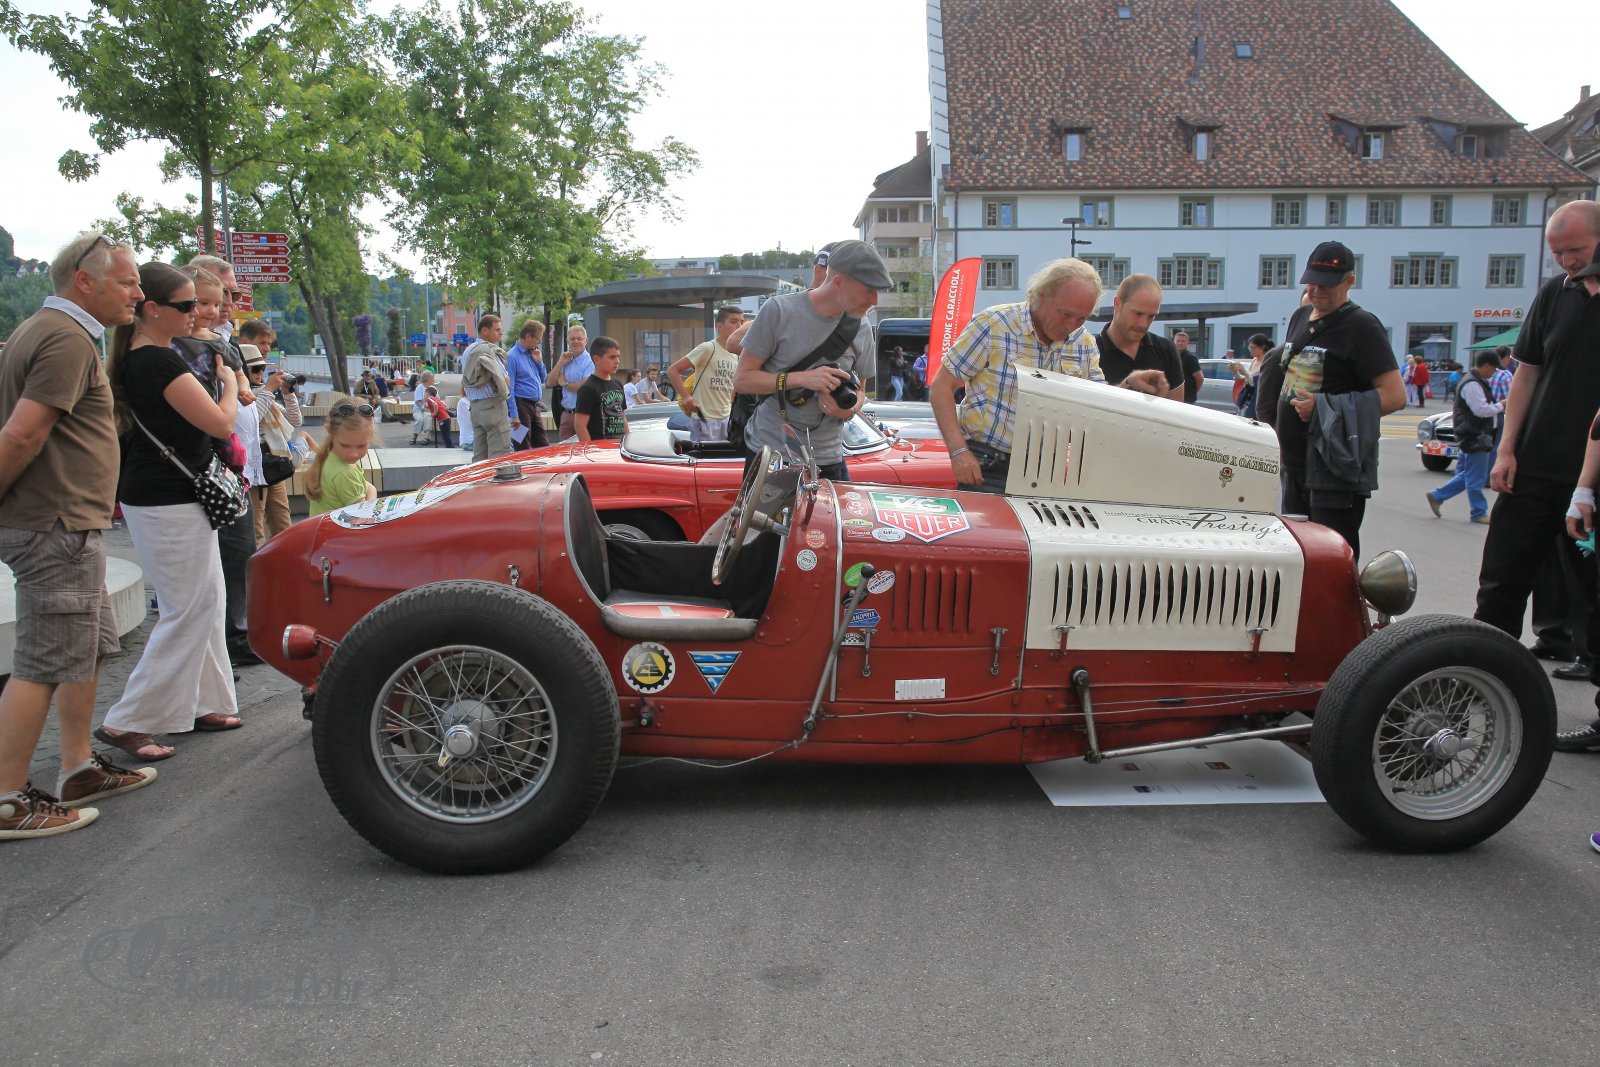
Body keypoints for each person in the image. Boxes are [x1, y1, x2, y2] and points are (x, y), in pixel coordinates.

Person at [0, 232, 156, 839]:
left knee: (83, 648)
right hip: (56, 524)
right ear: (84, 282)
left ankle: (77, 768)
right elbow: (22, 434)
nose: (137, 294)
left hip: (69, 521)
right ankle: (9, 799)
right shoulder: (65, 338)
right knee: (41, 663)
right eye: (127, 282)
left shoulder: (44, 330)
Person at [96, 262, 245, 763]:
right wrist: (228, 381)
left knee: (206, 599)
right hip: (169, 499)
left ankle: (204, 702)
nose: (196, 314)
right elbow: (221, 424)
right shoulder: (158, 362)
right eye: (186, 305)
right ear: (153, 310)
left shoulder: (142, 357)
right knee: (190, 607)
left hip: (165, 495)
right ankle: (129, 718)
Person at [1479, 201, 1600, 750]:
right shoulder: (1555, 293)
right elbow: (1526, 374)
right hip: (1535, 466)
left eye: (1576, 250)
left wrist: (1586, 485)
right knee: (1501, 581)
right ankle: (1484, 686)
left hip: (1591, 475)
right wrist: (1506, 448)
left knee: (1593, 596)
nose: (1567, 261)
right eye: (1557, 253)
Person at [930, 257, 1168, 493]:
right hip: (987, 465)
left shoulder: (1082, 342)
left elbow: (1098, 403)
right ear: (1041, 296)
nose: (1071, 325)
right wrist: (958, 451)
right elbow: (942, 387)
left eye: (1081, 318)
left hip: (1047, 472)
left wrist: (1129, 385)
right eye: (1065, 314)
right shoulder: (994, 325)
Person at [1273, 241, 1404, 557]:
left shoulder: (1362, 326)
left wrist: (1323, 407)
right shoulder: (1300, 317)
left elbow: (1395, 395)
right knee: (1296, 558)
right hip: (1295, 465)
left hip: (1332, 470)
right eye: (1312, 282)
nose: (1317, 290)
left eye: (1327, 284)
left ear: (1349, 281)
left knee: (1331, 560)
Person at [733, 240, 891, 480]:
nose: (875, 300)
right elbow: (742, 380)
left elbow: (862, 391)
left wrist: (847, 410)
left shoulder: (860, 326)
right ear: (838, 281)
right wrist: (802, 379)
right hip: (771, 456)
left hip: (829, 458)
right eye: (869, 289)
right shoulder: (779, 311)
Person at [1426, 351, 1503, 525]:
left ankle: (1438, 495)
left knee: (1469, 474)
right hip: (1476, 435)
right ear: (1486, 365)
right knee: (1477, 477)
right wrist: (1501, 405)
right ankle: (1478, 512)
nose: (1494, 373)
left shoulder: (1475, 381)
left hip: (1475, 434)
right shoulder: (1472, 384)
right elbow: (1481, 410)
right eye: (1493, 369)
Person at [1093, 274, 1183, 399]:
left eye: (1151, 316)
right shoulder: (1091, 351)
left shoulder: (1166, 350)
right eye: (1138, 314)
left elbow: (1177, 408)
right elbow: (1086, 406)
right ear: (1117, 303)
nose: (1143, 324)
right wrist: (1128, 385)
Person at [668, 305, 745, 443]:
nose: (739, 326)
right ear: (719, 326)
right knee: (707, 456)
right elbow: (673, 370)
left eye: (741, 322)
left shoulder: (736, 354)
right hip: (704, 418)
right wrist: (686, 397)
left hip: (726, 418)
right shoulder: (708, 348)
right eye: (734, 322)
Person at [248, 353, 297, 543]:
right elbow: (251, 421)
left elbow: (294, 420)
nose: (260, 373)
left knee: (282, 522)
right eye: (255, 369)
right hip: (252, 467)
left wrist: (288, 394)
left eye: (263, 368)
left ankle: (284, 557)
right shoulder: (238, 394)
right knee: (255, 526)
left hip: (272, 461)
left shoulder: (263, 394)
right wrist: (268, 390)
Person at [305, 401, 378, 514]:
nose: (353, 454)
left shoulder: (329, 456)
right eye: (345, 445)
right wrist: (373, 496)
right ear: (329, 432)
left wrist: (371, 490)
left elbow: (367, 486)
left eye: (361, 446)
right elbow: (364, 514)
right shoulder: (345, 472)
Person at [461, 315, 511, 460]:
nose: (501, 333)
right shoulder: (489, 350)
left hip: (475, 408)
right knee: (499, 455)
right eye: (497, 330)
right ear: (484, 330)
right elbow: (504, 379)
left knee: (479, 456)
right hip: (493, 406)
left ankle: (479, 476)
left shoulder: (468, 351)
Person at [575, 337, 627, 443]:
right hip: (599, 449)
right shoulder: (588, 388)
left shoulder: (618, 384)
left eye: (618, 357)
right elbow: (580, 426)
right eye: (612, 357)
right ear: (597, 359)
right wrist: (591, 449)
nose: (617, 361)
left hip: (619, 447)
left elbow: (622, 417)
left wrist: (627, 441)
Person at [506, 319, 548, 449]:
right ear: (528, 336)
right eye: (538, 338)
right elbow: (509, 388)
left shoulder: (532, 354)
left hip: (534, 405)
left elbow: (543, 379)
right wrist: (514, 415)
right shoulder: (512, 356)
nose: (539, 342)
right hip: (520, 404)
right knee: (522, 445)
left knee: (542, 444)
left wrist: (539, 362)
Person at [554, 326, 592, 440]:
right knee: (564, 450)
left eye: (579, 338)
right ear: (567, 341)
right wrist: (560, 363)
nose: (576, 341)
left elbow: (584, 387)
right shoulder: (566, 360)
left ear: (586, 341)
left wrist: (564, 383)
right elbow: (550, 382)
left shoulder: (590, 362)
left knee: (584, 448)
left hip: (584, 415)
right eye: (572, 339)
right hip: (566, 414)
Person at [1236, 333, 1272, 419]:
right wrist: (1236, 372)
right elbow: (1246, 381)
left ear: (1262, 347)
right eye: (1249, 347)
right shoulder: (1254, 360)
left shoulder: (1267, 362)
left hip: (1256, 401)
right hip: (1246, 400)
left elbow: (1256, 383)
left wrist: (1244, 371)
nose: (1250, 350)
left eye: (1253, 347)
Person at [1173, 331, 1202, 404]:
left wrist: (1194, 391)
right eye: (1178, 341)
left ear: (1187, 343)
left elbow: (1200, 378)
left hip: (1187, 399)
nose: (1180, 343)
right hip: (1175, 397)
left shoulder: (1190, 358)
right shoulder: (1173, 356)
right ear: (1174, 342)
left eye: (1183, 341)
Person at [410, 370, 435, 444]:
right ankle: (414, 436)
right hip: (418, 409)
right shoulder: (419, 387)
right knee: (420, 419)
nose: (434, 379)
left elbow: (436, 399)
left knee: (428, 417)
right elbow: (418, 401)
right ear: (428, 379)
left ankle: (426, 437)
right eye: (432, 377)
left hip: (429, 409)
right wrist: (423, 407)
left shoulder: (433, 388)